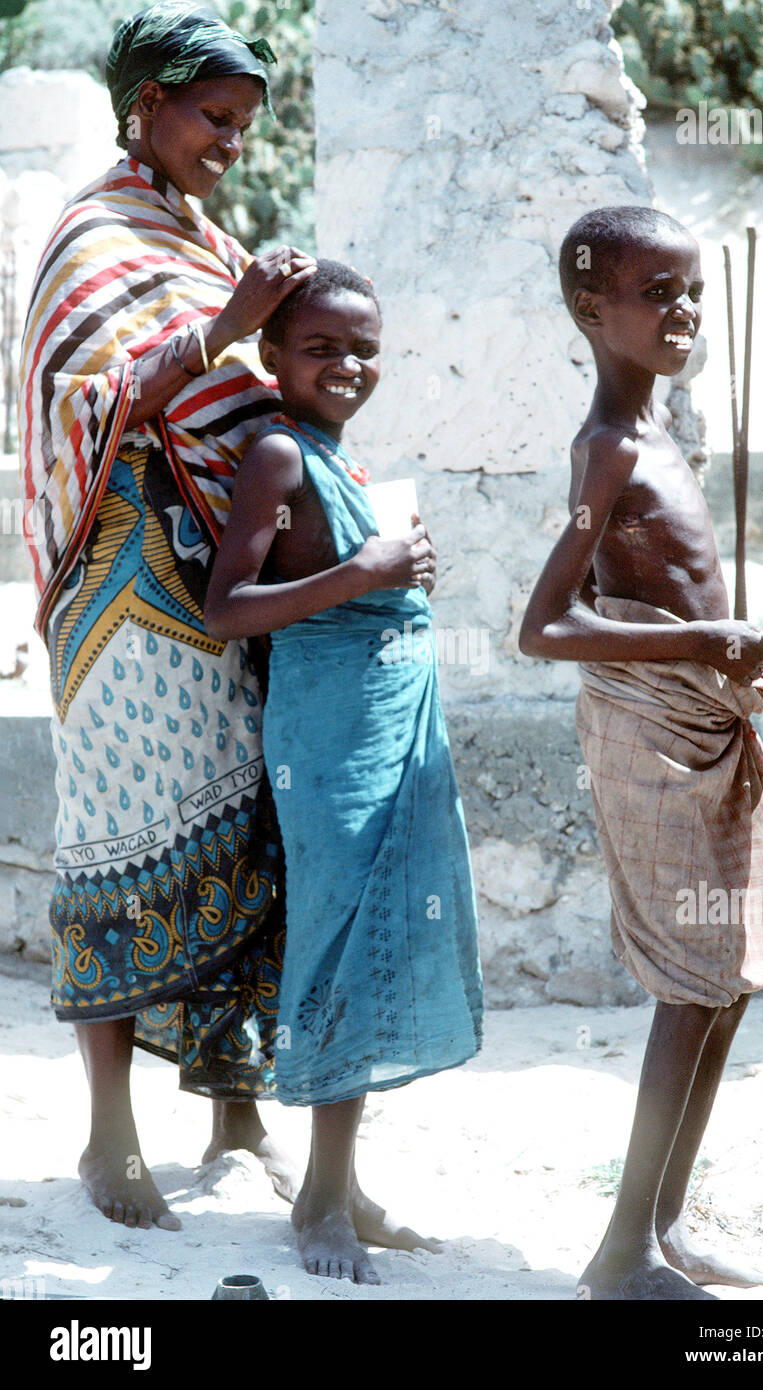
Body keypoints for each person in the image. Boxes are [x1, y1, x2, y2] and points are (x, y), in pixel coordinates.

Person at [17, 1, 319, 1232]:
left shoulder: (200, 236)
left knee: (244, 838)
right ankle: (108, 1139)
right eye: (214, 117)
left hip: (218, 590)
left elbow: (247, 403)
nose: (233, 142)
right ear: (146, 105)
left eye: (247, 125)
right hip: (124, 577)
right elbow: (87, 400)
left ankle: (238, 1117)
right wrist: (226, 328)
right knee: (116, 838)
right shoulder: (91, 233)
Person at [518, 205, 763, 1300]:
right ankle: (619, 1255)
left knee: (727, 972)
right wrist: (712, 642)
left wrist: (739, 671)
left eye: (692, 290)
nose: (684, 310)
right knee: (693, 983)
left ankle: (669, 1223)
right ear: (594, 310)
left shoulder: (654, 428)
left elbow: (637, 592)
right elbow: (544, 624)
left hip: (703, 715)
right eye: (659, 293)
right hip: (649, 737)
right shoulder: (605, 448)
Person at [204, 259, 484, 1283]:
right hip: (327, 738)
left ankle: (347, 1183)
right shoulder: (278, 455)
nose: (347, 364)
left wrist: (397, 580)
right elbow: (226, 607)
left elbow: (348, 580)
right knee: (335, 937)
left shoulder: (338, 457)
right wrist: (361, 576)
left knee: (373, 936)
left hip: (386, 725)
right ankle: (319, 1197)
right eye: (319, 346)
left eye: (363, 347)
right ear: (272, 356)